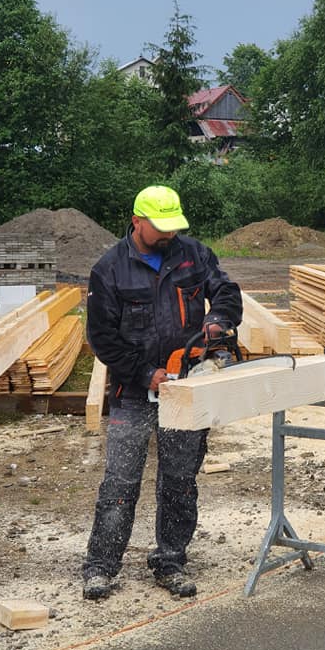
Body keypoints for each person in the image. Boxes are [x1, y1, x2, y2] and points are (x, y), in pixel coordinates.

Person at [82, 185, 242, 600]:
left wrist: (219, 319)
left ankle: (170, 560)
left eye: (174, 227)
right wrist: (145, 373)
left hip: (186, 389)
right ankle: (100, 566)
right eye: (161, 227)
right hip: (133, 394)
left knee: (179, 481)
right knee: (120, 483)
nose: (169, 234)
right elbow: (102, 338)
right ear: (137, 222)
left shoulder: (194, 254)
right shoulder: (109, 270)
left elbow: (227, 292)